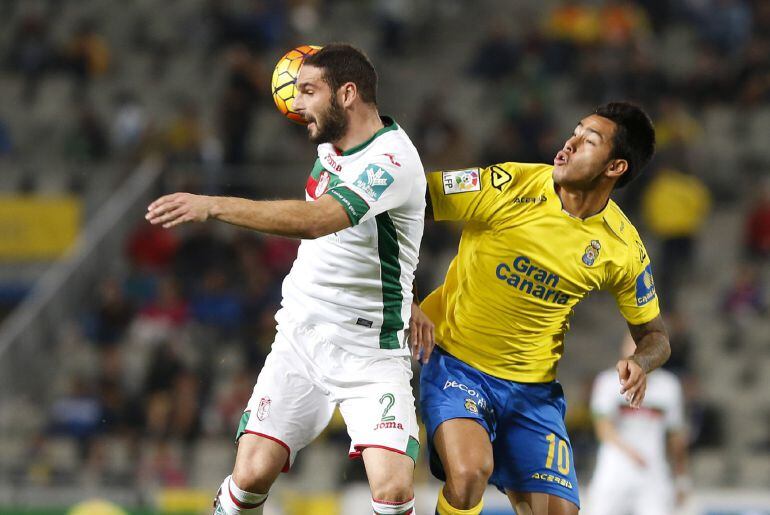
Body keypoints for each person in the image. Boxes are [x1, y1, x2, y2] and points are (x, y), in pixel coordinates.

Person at [146, 43, 429, 515]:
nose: (296, 106)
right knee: (251, 474)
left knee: (394, 488)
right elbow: (377, 238)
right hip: (302, 334)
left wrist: (213, 204)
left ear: (348, 94)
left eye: (308, 92)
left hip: (370, 352)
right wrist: (407, 294)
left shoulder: (392, 161)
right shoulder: (332, 143)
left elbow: (318, 220)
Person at [415, 102, 672, 515]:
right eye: (574, 132)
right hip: (456, 364)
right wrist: (401, 289)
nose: (567, 144)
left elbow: (656, 336)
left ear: (615, 167)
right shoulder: (506, 183)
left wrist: (642, 361)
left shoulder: (623, 247)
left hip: (532, 394)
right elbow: (410, 200)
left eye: (588, 141)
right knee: (468, 475)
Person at [587, 333, 689, 515]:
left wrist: (681, 478)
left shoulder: (669, 387)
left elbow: (676, 438)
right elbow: (603, 428)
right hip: (613, 473)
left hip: (653, 476)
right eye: (632, 345)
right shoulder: (608, 383)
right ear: (623, 348)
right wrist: (631, 452)